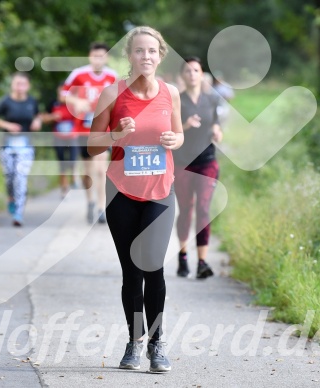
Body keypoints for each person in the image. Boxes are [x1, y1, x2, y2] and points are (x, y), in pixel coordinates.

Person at [87, 26, 184, 373]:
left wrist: (175, 140)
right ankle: (134, 342)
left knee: (153, 267)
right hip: (121, 192)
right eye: (140, 50)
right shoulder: (112, 93)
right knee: (131, 272)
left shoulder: (170, 93)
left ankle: (157, 344)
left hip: (160, 192)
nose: (146, 56)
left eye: (153, 51)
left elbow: (179, 134)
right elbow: (92, 145)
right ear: (129, 56)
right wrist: (116, 134)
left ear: (161, 56)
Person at [173, 56, 223, 279]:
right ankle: (183, 255)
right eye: (188, 71)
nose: (192, 74)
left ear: (201, 74)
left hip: (207, 160)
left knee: (203, 209)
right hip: (182, 162)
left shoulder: (212, 100)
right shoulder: (177, 101)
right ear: (182, 76)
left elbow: (216, 122)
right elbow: (169, 132)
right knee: (186, 209)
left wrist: (217, 131)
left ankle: (202, 261)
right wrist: (185, 125)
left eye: (195, 70)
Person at [61, 42, 118, 223]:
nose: (98, 59)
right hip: (83, 130)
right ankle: (90, 202)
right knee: (88, 172)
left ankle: (102, 208)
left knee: (101, 169)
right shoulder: (79, 74)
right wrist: (76, 102)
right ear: (89, 56)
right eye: (95, 55)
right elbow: (63, 94)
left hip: (103, 130)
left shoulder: (112, 76)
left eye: (102, 56)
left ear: (107, 57)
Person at [0, 72, 41, 227]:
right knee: (9, 176)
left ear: (28, 86)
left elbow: (38, 116)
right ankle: (11, 197)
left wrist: (37, 122)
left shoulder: (32, 101)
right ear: (12, 85)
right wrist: (8, 126)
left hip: (26, 146)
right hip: (7, 146)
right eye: (17, 84)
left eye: (23, 84)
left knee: (21, 176)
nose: (20, 87)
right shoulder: (6, 101)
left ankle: (18, 213)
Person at [40, 83, 79, 198]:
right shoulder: (53, 104)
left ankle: (74, 177)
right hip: (58, 138)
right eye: (61, 92)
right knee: (62, 165)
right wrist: (53, 117)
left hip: (72, 138)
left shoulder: (73, 104)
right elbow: (44, 118)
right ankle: (64, 189)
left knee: (72, 161)